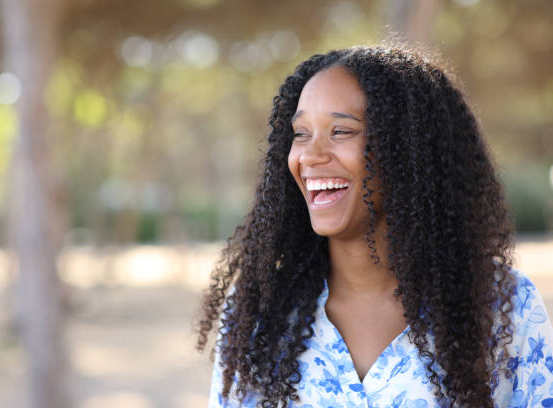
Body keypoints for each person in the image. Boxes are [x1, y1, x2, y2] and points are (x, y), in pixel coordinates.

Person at [196, 45, 553, 407]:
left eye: (341, 131)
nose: (311, 155)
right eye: (301, 133)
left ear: (408, 151)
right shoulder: (262, 313)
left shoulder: (502, 306)